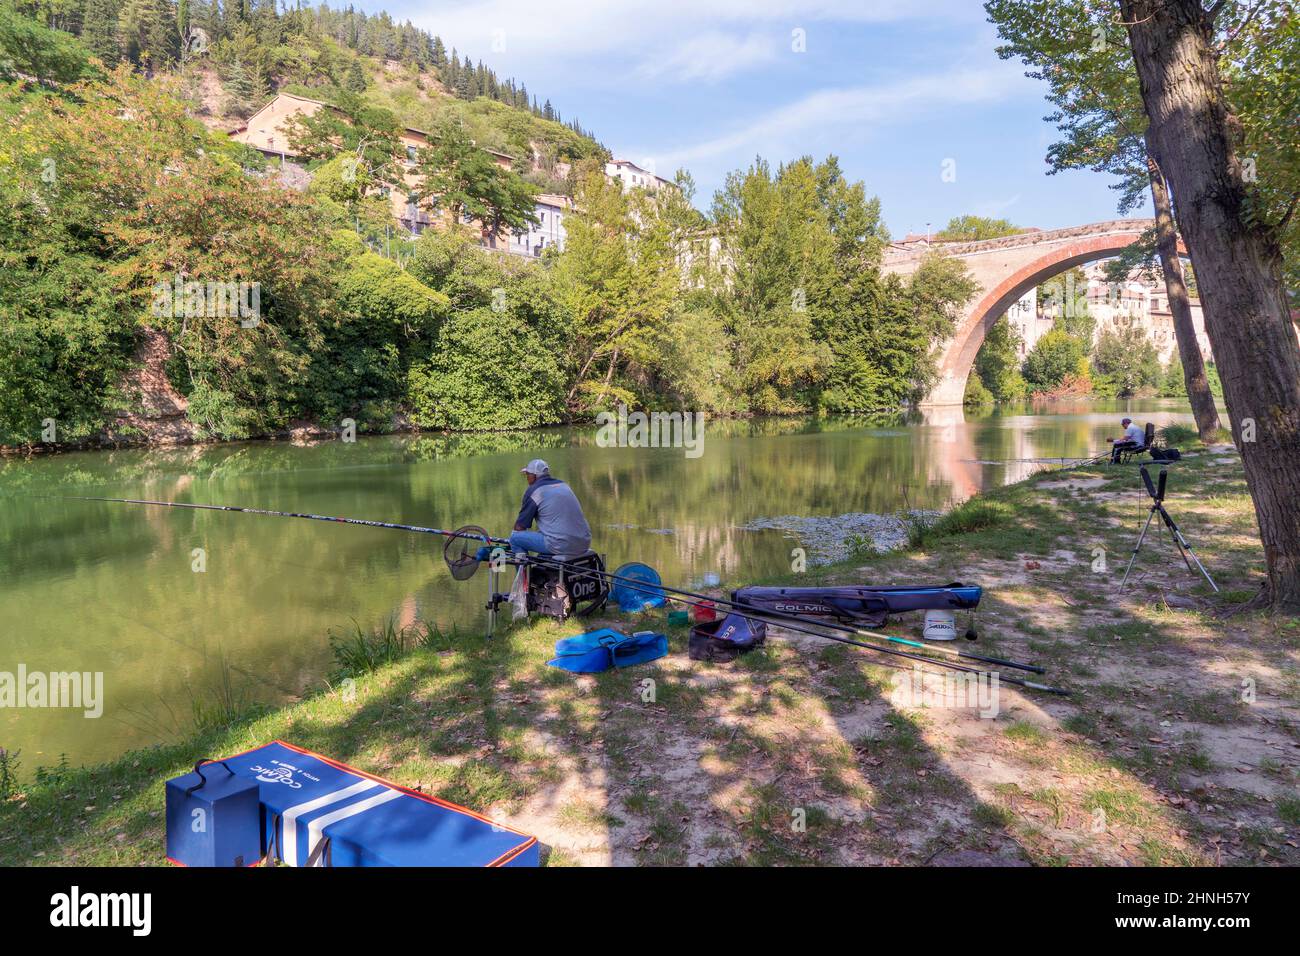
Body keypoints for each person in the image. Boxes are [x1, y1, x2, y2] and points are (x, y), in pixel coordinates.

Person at [509, 459, 592, 558]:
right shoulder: (563, 485)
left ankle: (523, 573)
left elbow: (520, 527)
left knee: (515, 538)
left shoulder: (534, 491)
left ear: (534, 476)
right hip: (584, 542)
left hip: (562, 545)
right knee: (542, 534)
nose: (527, 478)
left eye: (527, 474)